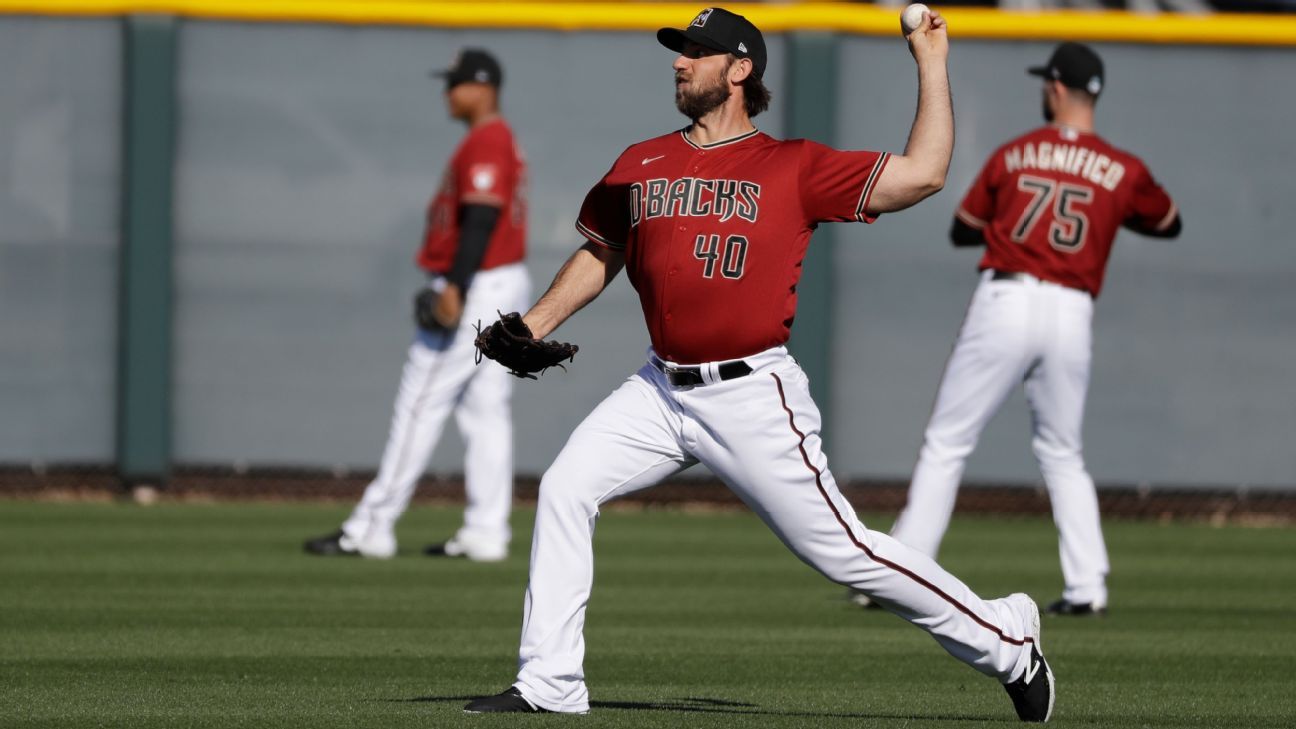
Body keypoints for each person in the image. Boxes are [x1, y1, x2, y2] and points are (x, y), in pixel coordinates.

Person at [464, 7, 1055, 722]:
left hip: (751, 391)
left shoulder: (793, 166)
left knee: (844, 552)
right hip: (659, 386)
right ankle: (550, 683)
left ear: (740, 70)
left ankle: (1007, 639)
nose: (680, 62)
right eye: (679, 51)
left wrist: (930, 61)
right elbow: (601, 252)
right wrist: (533, 323)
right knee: (564, 489)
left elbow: (925, 175)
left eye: (698, 52)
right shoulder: (640, 163)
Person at [876, 42, 1181, 616]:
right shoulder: (1123, 168)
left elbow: (964, 229)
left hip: (1007, 299)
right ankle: (1087, 588)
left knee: (948, 440)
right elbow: (1169, 222)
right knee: (1063, 452)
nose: (1044, 90)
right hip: (1072, 310)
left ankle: (906, 569)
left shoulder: (1016, 153)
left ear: (1058, 88)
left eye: (1048, 82)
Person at [304, 48, 530, 561]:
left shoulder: (489, 141)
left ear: (483, 88)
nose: (446, 93)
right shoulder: (495, 139)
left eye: (454, 84)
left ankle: (371, 527)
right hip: (499, 283)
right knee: (485, 411)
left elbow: (480, 220)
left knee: (420, 402)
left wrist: (454, 285)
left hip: (479, 285)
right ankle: (486, 532)